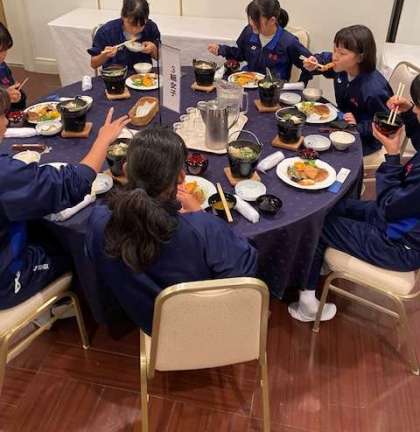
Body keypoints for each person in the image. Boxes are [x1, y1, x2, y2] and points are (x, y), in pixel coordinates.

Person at [85, 127, 257, 335]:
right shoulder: (203, 228)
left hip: (143, 319)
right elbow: (244, 275)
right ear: (181, 176)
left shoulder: (98, 220)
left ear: (126, 169)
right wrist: (199, 214)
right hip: (204, 327)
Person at [288, 74, 420, 322]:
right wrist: (410, 113)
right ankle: (315, 261)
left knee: (316, 224)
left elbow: (390, 206)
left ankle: (307, 304)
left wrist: (392, 156)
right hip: (398, 222)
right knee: (329, 206)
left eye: (419, 107)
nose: (416, 110)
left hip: (399, 244)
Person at [0, 88, 129, 309]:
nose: (6, 122)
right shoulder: (5, 174)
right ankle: (84, 309)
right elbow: (73, 183)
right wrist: (103, 140)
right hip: (7, 279)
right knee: (77, 250)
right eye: (2, 116)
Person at [303, 25, 392, 156]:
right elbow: (324, 58)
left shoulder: (374, 89)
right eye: (335, 50)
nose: (335, 57)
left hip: (363, 140)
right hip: (341, 124)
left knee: (319, 153)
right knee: (305, 133)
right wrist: (314, 61)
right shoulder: (343, 67)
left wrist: (357, 125)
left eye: (342, 53)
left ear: (360, 57)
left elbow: (385, 124)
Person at [208, 0, 312, 82]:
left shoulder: (288, 42)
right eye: (250, 18)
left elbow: (310, 65)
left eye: (256, 20)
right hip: (247, 83)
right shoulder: (249, 32)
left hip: (272, 91)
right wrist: (221, 50)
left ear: (272, 20)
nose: (251, 23)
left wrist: (300, 86)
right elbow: (241, 54)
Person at [88, 0, 160, 71]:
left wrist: (153, 49)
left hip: (144, 76)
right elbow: (93, 64)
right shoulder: (107, 31)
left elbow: (158, 57)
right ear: (123, 16)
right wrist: (105, 55)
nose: (135, 30)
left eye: (141, 25)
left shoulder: (151, 28)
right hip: (116, 75)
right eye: (132, 24)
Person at [0, 22, 26, 111]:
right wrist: (3, 99)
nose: (1, 56)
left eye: (3, 50)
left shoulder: (2, 68)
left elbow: (20, 105)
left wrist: (17, 97)